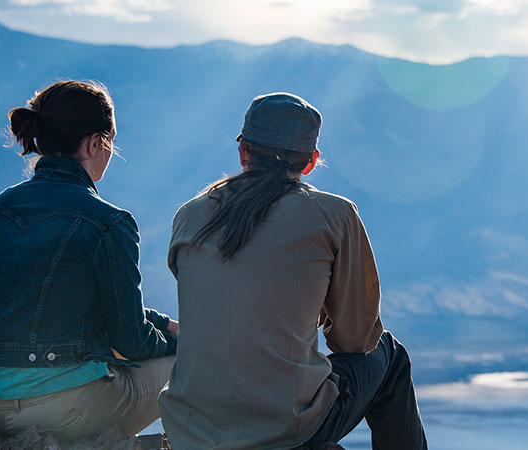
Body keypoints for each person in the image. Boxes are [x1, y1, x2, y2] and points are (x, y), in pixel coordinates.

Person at [159, 92, 428, 449]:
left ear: (243, 152)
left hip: (190, 426)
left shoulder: (189, 215)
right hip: (284, 423)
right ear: (310, 162)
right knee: (389, 355)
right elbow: (355, 339)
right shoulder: (332, 215)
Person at [0, 80, 178, 440]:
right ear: (96, 142)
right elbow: (132, 340)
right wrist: (183, 344)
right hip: (64, 409)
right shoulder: (109, 221)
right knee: (187, 366)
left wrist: (166, 323)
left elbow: (56, 301)